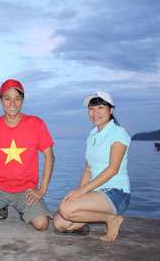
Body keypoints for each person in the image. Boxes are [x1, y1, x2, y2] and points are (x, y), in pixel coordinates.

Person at [0, 79, 55, 231]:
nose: (12, 103)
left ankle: (22, 210)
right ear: (0, 100)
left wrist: (42, 189)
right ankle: (1, 206)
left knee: (41, 224)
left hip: (25, 189)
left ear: (23, 100)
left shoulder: (36, 123)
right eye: (7, 98)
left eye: (17, 98)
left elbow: (50, 156)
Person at [53, 91, 131, 241]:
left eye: (100, 108)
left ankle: (112, 219)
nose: (95, 113)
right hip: (97, 192)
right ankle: (106, 216)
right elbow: (88, 169)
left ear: (111, 110)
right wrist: (79, 193)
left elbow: (113, 169)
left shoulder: (118, 133)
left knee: (65, 209)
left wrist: (82, 190)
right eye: (91, 109)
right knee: (59, 223)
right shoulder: (93, 134)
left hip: (116, 193)